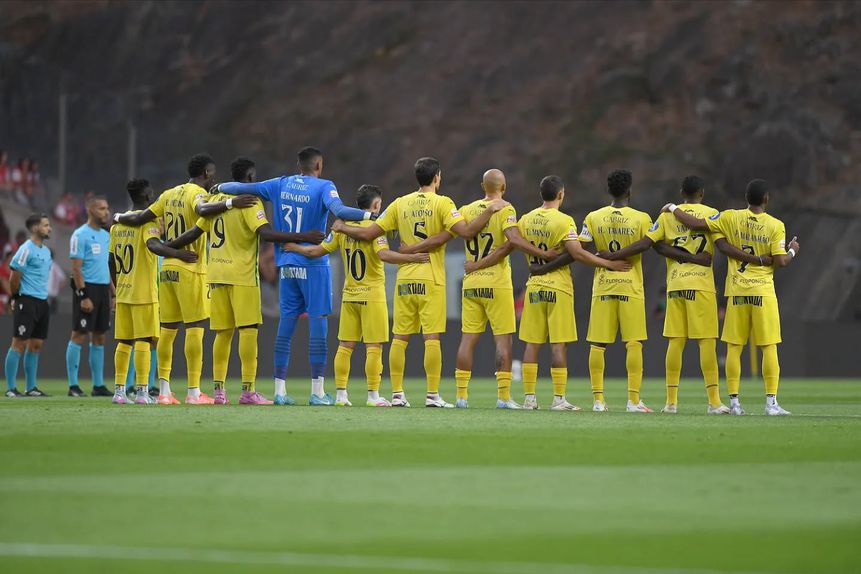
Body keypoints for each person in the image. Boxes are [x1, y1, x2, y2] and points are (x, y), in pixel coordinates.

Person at [332, 157, 507, 407]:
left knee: (400, 338)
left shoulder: (400, 203)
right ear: (437, 177)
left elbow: (370, 233)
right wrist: (489, 210)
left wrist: (342, 227)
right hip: (430, 278)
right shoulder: (443, 203)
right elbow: (467, 232)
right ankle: (432, 395)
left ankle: (397, 394)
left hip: (404, 280)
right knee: (431, 338)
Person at [213, 147, 373, 406]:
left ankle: (279, 391)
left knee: (285, 326)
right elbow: (340, 212)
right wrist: (370, 215)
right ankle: (317, 392)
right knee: (318, 324)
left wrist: (219, 186)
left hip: (286, 265)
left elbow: (241, 188)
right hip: (313, 263)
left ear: (299, 165)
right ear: (319, 165)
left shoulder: (280, 184)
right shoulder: (323, 186)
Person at [598, 175, 771, 414]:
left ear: (682, 192)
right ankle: (714, 402)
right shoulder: (712, 214)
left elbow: (653, 243)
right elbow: (721, 245)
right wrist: (695, 258)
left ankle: (671, 403)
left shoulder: (666, 216)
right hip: (701, 285)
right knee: (706, 343)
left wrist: (676, 252)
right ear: (701, 193)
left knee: (675, 343)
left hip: (676, 285)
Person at [166, 156, 325, 405]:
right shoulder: (250, 202)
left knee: (222, 334)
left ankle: (219, 392)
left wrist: (168, 247)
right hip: (242, 276)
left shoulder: (216, 200)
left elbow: (195, 232)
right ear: (250, 178)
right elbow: (266, 234)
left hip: (216, 275)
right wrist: (304, 235)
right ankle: (248, 391)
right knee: (248, 332)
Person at [414, 169, 558, 409]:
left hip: (471, 283)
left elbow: (446, 235)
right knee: (503, 340)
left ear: (483, 186)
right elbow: (513, 239)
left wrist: (413, 248)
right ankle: (503, 397)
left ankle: (461, 397)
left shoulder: (467, 210)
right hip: (496, 283)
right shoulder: (506, 208)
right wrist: (542, 253)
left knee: (468, 339)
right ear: (505, 186)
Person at [115, 154, 251, 404]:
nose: (214, 178)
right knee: (195, 329)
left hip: (166, 269)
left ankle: (165, 392)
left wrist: (117, 218)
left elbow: (140, 217)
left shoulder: (167, 194)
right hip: (191, 267)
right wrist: (231, 204)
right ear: (206, 174)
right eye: (212, 173)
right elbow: (202, 209)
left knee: (167, 331)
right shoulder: (195, 193)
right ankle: (193, 391)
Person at [663, 178, 800, 415]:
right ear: (766, 199)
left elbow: (697, 225)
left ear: (746, 199)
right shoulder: (776, 224)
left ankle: (735, 403)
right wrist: (792, 250)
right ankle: (771, 404)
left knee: (734, 348)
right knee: (768, 347)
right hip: (762, 292)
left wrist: (674, 208)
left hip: (736, 291)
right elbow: (781, 261)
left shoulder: (729, 217)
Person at [286, 184, 428, 407]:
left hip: (350, 295)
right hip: (372, 296)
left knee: (345, 346)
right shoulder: (375, 227)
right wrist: (413, 258)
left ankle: (341, 395)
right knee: (374, 347)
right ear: (376, 205)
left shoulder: (342, 228)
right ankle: (373, 396)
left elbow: (316, 252)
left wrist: (295, 247)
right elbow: (384, 255)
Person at [517, 176, 630, 410]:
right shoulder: (564, 220)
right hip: (558, 288)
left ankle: (529, 398)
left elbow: (517, 242)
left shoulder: (525, 219)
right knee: (559, 345)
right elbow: (577, 253)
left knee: (532, 344)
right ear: (561, 194)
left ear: (541, 194)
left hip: (534, 287)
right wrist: (608, 264)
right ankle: (559, 399)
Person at [109, 179, 199, 405]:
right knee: (144, 340)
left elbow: (111, 261)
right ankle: (141, 392)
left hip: (124, 291)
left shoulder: (116, 226)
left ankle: (119, 392)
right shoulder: (146, 223)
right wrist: (178, 254)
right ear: (149, 197)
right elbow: (153, 246)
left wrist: (118, 286)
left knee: (123, 341)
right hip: (143, 292)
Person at [66, 195, 113, 397]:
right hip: (88, 289)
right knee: (79, 334)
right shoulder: (80, 235)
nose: (107, 212)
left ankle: (98, 385)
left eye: (107, 208)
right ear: (91, 210)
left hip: (103, 289)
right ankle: (73, 385)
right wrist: (83, 295)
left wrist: (113, 292)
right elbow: (76, 269)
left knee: (100, 337)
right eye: (102, 208)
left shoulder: (106, 236)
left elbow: (106, 267)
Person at [4, 214, 53, 397]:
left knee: (36, 344)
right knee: (19, 343)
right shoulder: (26, 249)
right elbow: (14, 276)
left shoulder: (46, 252)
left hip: (42, 302)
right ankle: (10, 388)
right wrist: (15, 297)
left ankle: (31, 387)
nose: (50, 229)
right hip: (27, 300)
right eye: (46, 225)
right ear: (35, 228)